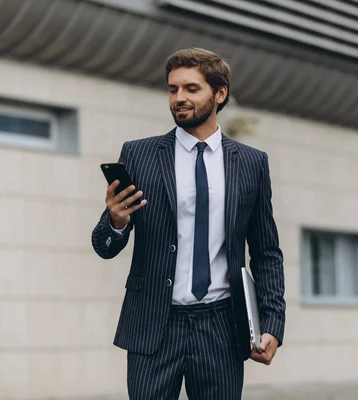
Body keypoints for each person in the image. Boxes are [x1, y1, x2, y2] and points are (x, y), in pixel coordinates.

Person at [91, 47, 285, 400]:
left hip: (222, 326)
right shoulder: (139, 155)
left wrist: (272, 322)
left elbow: (267, 251)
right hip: (154, 324)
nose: (179, 98)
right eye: (172, 89)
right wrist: (117, 221)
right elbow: (103, 245)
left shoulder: (252, 164)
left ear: (219, 94)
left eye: (191, 89)